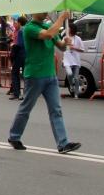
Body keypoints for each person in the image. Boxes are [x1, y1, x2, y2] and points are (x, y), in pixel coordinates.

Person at [7, 10, 82, 154]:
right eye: (43, 10)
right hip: (35, 75)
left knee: (56, 110)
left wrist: (66, 43)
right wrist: (61, 19)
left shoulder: (48, 27)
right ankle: (14, 136)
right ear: (35, 12)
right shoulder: (29, 28)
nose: (45, 12)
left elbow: (60, 46)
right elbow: (47, 35)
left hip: (50, 75)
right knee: (26, 108)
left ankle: (63, 143)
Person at [62, 22, 84, 98]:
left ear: (72, 29)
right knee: (69, 73)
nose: (67, 29)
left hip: (76, 60)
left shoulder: (78, 38)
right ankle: (71, 85)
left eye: (69, 28)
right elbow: (61, 47)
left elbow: (82, 49)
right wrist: (65, 44)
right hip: (67, 59)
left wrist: (73, 47)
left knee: (76, 77)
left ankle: (76, 94)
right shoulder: (65, 37)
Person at [8, 16, 28, 100]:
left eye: (15, 22)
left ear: (19, 23)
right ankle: (26, 94)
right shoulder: (26, 30)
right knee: (25, 75)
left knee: (15, 73)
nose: (14, 24)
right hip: (26, 54)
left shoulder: (20, 31)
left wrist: (13, 46)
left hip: (19, 55)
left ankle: (16, 93)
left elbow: (19, 44)